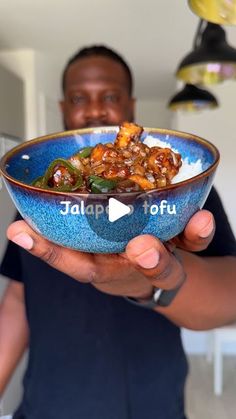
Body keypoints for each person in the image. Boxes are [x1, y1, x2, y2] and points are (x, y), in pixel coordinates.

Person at [0, 45, 236, 419]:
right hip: (48, 405)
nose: (94, 109)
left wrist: (151, 286)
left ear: (131, 105)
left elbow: (230, 298)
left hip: (151, 406)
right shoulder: (39, 198)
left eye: (110, 96)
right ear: (64, 108)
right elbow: (17, 294)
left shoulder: (186, 194)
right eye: (80, 97)